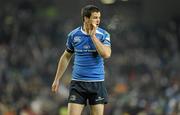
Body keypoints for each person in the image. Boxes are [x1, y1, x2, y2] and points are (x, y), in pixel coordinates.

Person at [51, 4, 111, 115]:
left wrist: (93, 37)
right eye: (95, 17)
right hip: (78, 84)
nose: (98, 20)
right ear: (86, 18)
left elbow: (106, 54)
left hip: (96, 83)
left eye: (99, 17)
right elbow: (66, 56)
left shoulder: (103, 35)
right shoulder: (73, 35)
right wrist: (57, 79)